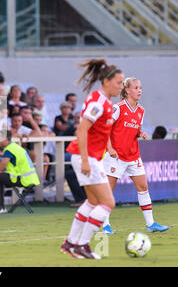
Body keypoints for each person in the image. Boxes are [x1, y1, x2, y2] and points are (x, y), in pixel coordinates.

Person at [61, 58, 124, 260]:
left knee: (93, 201)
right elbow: (81, 130)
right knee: (108, 203)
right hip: (85, 157)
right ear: (106, 82)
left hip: (88, 156)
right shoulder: (98, 102)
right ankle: (82, 244)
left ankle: (71, 243)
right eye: (118, 83)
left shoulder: (103, 100)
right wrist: (87, 161)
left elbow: (98, 133)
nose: (121, 87)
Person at [102, 77, 169, 234]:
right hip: (115, 156)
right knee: (107, 191)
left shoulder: (141, 110)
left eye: (140, 87)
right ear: (127, 91)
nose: (140, 90)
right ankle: (104, 224)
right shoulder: (118, 108)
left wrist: (141, 133)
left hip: (133, 155)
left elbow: (135, 128)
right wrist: (110, 148)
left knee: (143, 187)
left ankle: (150, 224)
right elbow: (105, 128)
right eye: (136, 87)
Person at [0, 130, 40, 214]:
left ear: (6, 138)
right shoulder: (15, 147)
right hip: (30, 178)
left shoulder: (9, 150)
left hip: (23, 179)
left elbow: (0, 168)